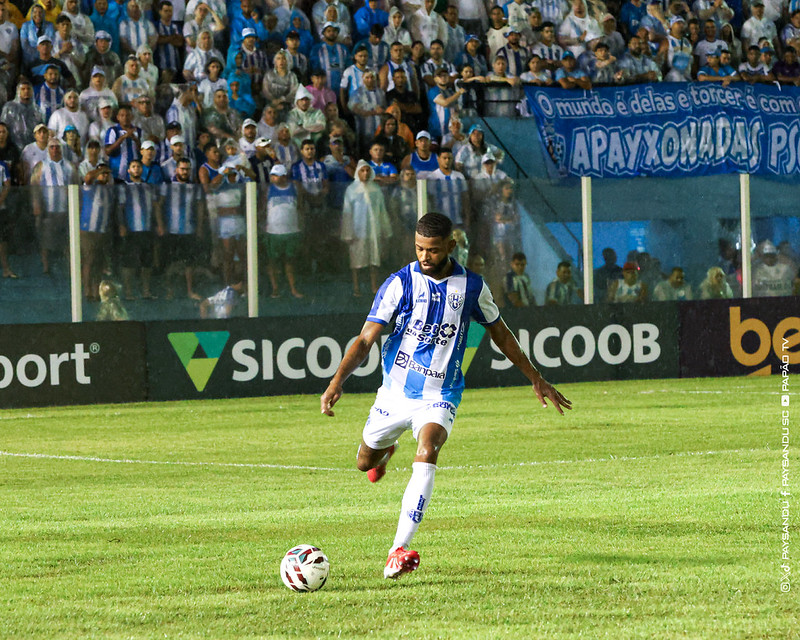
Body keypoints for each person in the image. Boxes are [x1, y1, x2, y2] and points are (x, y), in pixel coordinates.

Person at [320, 211, 570, 579]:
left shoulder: (472, 287)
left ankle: (397, 549)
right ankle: (386, 450)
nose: (425, 256)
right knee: (364, 463)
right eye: (420, 248)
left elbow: (500, 333)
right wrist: (337, 381)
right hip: (395, 393)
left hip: (441, 393)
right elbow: (365, 339)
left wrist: (536, 378)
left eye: (433, 250)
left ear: (451, 246)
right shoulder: (399, 283)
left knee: (429, 447)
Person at [341, 159, 392, 295]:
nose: (365, 173)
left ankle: (374, 286)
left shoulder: (376, 189)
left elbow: (382, 211)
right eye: (362, 171)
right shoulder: (351, 190)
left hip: (373, 230)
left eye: (367, 170)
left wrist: (385, 231)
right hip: (357, 231)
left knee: (374, 260)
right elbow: (347, 213)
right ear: (357, 172)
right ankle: (356, 287)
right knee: (356, 261)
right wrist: (348, 233)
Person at [265, 163, 303, 298]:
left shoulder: (294, 188)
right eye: (272, 175)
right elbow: (262, 209)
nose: (273, 178)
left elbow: (300, 206)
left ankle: (293, 288)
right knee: (273, 261)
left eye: (275, 175)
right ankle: (275, 288)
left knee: (290, 261)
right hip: (273, 232)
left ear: (283, 176)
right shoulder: (268, 190)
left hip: (291, 231)